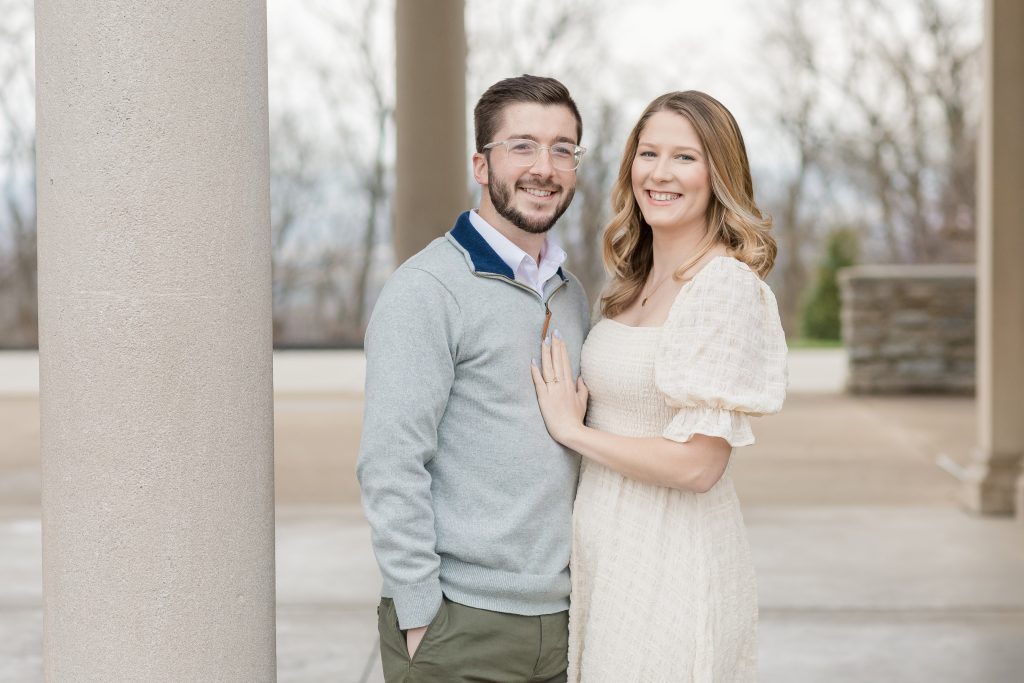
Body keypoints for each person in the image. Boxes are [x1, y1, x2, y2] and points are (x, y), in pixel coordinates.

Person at [531, 91, 788, 682]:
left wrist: (572, 431)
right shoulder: (628, 282)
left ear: (718, 174)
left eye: (684, 158)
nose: (660, 173)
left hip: (673, 556)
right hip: (607, 552)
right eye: (648, 154)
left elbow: (699, 465)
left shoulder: (722, 286)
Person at [357, 74, 592, 682]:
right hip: (459, 625)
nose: (545, 166)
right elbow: (391, 461)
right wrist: (418, 612)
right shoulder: (427, 289)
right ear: (481, 165)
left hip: (564, 622)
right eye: (522, 146)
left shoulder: (571, 295)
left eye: (562, 148)